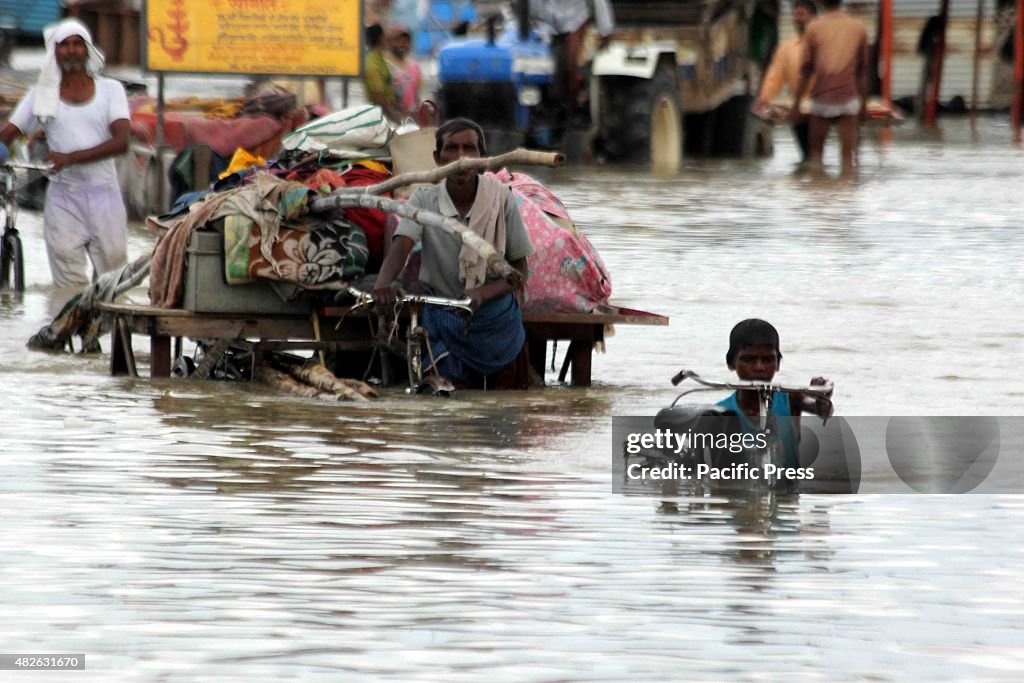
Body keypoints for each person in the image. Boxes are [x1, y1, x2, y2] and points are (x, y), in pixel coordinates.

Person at [373, 118, 533, 385]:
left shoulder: (502, 199)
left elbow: (520, 271)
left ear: (482, 158)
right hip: (444, 316)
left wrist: (483, 293)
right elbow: (401, 248)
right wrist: (382, 284)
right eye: (452, 149)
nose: (461, 158)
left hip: (496, 322)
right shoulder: (423, 199)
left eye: (469, 149)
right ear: (438, 158)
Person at [0, 18, 129, 288]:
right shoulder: (40, 96)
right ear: (54, 52)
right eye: (64, 45)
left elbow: (121, 142)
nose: (71, 50)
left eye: (77, 44)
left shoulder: (110, 91)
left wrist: (69, 158)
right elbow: (9, 134)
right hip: (63, 200)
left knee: (112, 281)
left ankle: (103, 330)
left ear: (87, 50)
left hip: (105, 197)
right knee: (68, 284)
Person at [717, 319, 833, 469]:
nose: (759, 367)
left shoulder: (790, 400)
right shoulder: (718, 414)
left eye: (767, 360)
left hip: (787, 491)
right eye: (749, 359)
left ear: (778, 363)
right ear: (731, 363)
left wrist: (821, 398)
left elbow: (824, 411)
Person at [790, 0, 869, 178]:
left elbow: (806, 69)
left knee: (816, 157)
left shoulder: (813, 28)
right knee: (848, 159)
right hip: (848, 100)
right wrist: (863, 106)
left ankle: (819, 198)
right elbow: (862, 72)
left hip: (822, 99)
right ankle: (846, 200)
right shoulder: (858, 27)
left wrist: (796, 105)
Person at [529, 0, 615, 124]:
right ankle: (541, 104)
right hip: (545, 25)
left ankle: (572, 108)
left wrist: (606, 30)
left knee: (570, 64)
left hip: (574, 22)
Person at [753, 0, 818, 163]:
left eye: (802, 15)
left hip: (820, 106)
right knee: (806, 155)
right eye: (796, 15)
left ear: (813, 17)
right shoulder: (787, 47)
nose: (798, 19)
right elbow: (774, 77)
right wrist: (764, 98)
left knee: (815, 153)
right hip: (797, 107)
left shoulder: (824, 43)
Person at [362, 24, 404, 123]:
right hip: (380, 117)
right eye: (386, 36)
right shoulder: (372, 63)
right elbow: (377, 96)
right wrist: (393, 117)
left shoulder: (381, 59)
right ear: (381, 38)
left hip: (388, 113)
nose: (389, 40)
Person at [386, 26, 422, 119]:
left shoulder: (415, 67)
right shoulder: (384, 64)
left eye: (406, 41)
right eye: (398, 41)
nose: (402, 44)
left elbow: (417, 96)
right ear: (390, 43)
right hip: (389, 119)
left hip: (408, 121)